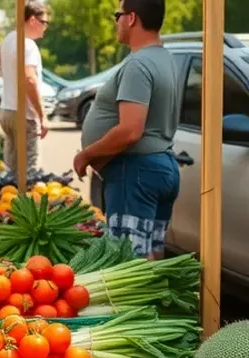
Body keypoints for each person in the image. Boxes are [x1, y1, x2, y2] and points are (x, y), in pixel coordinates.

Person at [73, 0, 179, 259]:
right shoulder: (165, 58)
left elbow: (131, 130)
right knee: (150, 259)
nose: (116, 22)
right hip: (159, 166)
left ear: (131, 18)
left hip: (135, 173)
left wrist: (86, 154)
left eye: (117, 15)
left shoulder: (138, 65)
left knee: (128, 263)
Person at [0, 0, 50, 171]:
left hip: (6, 111)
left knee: (12, 169)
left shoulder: (9, 39)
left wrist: (8, 77)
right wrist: (42, 116)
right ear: (32, 20)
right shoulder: (28, 45)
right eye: (44, 22)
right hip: (24, 115)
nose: (46, 27)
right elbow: (29, 80)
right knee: (30, 171)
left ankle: (10, 197)